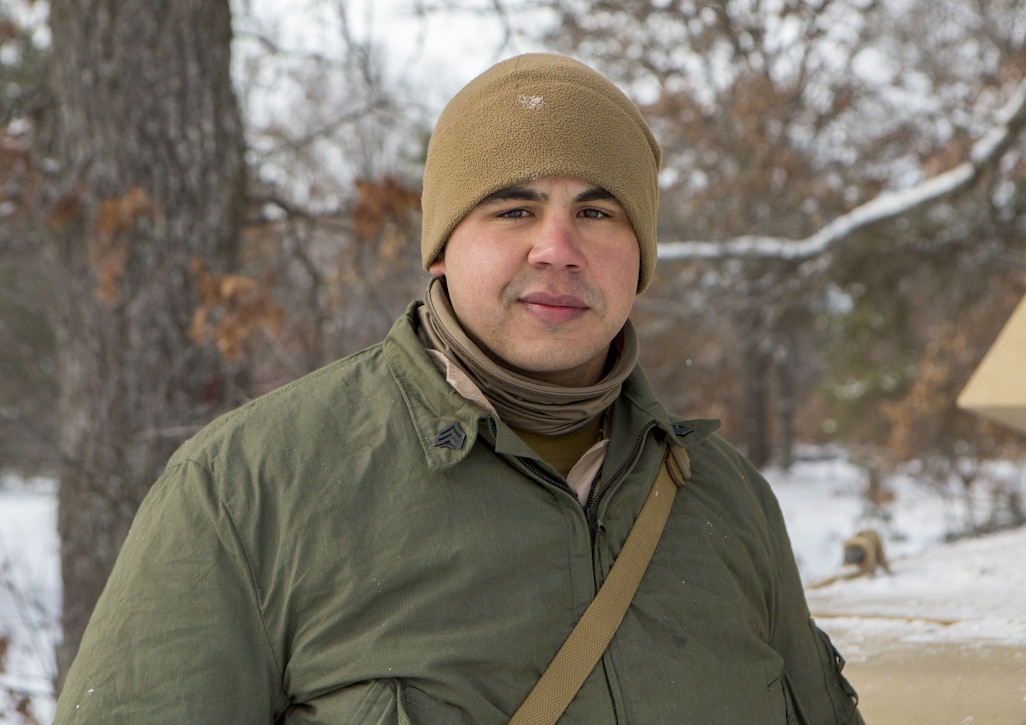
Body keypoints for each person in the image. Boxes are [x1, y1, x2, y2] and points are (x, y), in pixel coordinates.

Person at [55, 53, 864, 724]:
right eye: (514, 209)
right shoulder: (245, 491)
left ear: (640, 255)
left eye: (597, 211)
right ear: (441, 249)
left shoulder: (725, 498)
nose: (557, 248)